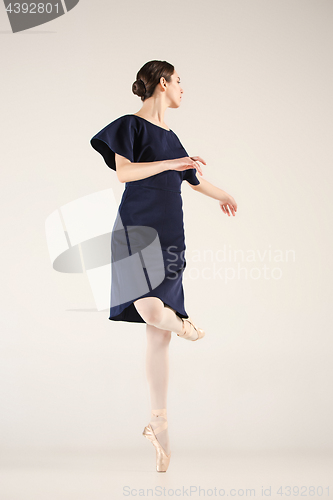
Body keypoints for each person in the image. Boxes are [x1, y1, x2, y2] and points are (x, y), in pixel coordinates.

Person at [90, 60, 237, 472]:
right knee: (151, 310)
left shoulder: (172, 137)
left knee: (158, 337)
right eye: (179, 82)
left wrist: (224, 193)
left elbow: (192, 178)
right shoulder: (129, 126)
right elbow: (125, 173)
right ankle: (188, 326)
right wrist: (172, 164)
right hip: (137, 231)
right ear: (162, 83)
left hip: (171, 235)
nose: (182, 89)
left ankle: (160, 426)